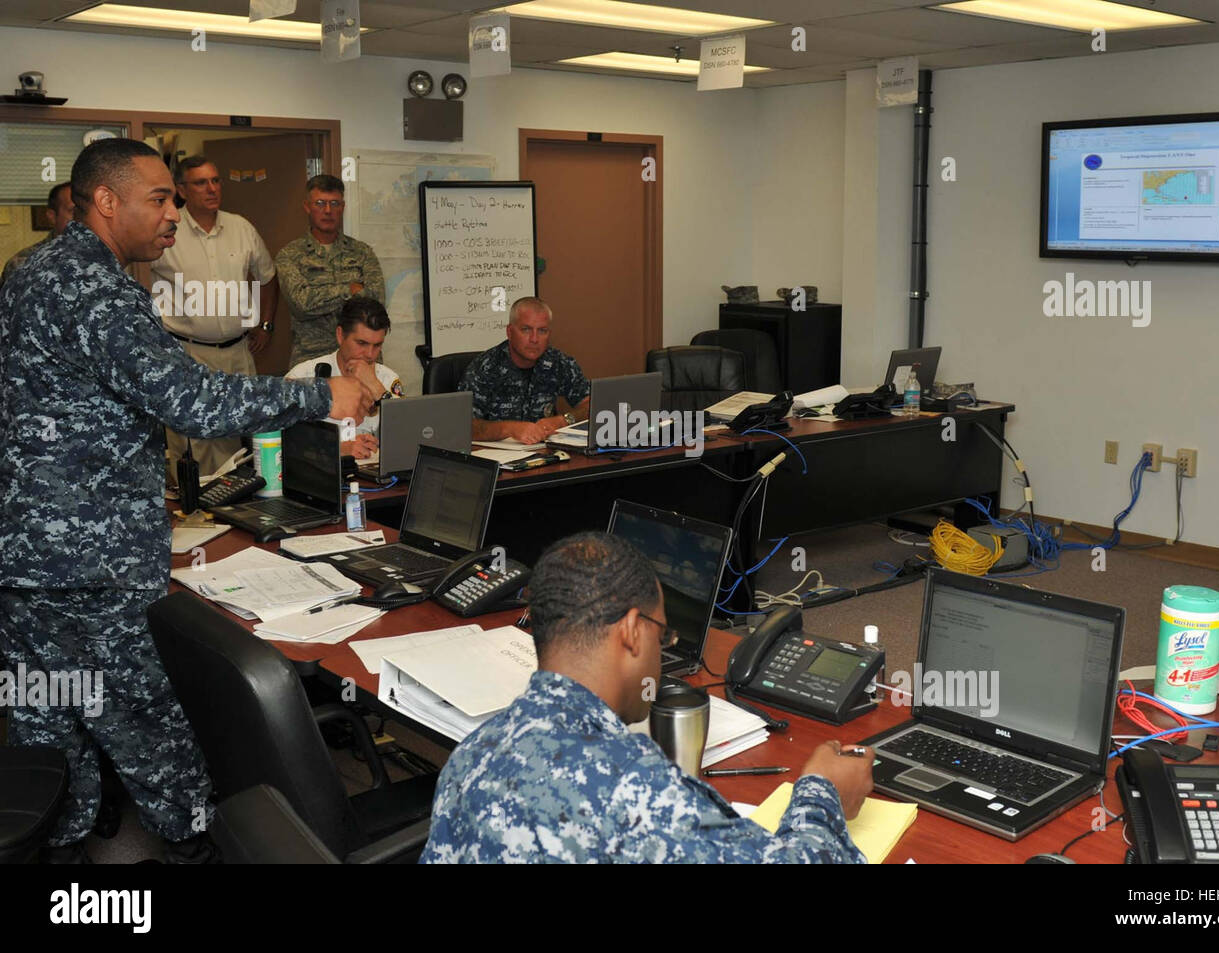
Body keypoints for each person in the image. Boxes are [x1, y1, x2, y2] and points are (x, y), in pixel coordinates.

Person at [0, 138, 375, 864]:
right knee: (158, 741)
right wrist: (318, 393)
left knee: (51, 734)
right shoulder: (95, 288)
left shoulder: (29, 268)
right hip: (90, 567)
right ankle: (197, 852)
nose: (174, 212)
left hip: (28, 560)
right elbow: (192, 398)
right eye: (160, 198)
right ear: (104, 201)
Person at [421, 532, 872, 863]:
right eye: (663, 634)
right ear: (634, 632)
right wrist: (823, 793)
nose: (661, 654)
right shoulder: (635, 789)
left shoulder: (474, 750)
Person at [149, 155, 280, 477]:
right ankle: (196, 512)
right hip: (187, 351)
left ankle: (238, 505)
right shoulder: (165, 229)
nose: (211, 188)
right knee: (194, 441)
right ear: (181, 189)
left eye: (216, 180)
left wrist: (265, 324)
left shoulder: (241, 227)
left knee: (243, 434)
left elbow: (268, 276)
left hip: (238, 352)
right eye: (200, 183)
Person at [275, 174, 384, 367]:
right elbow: (302, 305)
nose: (328, 211)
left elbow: (375, 302)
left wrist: (321, 297)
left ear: (342, 207)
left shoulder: (362, 252)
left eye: (334, 203)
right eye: (320, 203)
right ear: (307, 207)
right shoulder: (289, 255)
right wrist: (350, 290)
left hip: (361, 358)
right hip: (312, 360)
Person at [285, 296, 405, 460]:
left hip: (374, 475)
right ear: (340, 336)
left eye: (377, 345)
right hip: (321, 474)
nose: (370, 355)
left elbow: (407, 438)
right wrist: (336, 448)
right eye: (361, 343)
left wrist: (375, 387)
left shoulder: (387, 379)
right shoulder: (302, 376)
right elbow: (282, 442)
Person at [458, 296, 591, 445]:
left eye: (542, 331)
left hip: (546, 454)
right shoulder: (485, 367)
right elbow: (463, 426)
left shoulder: (558, 362)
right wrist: (509, 429)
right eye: (526, 329)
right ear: (509, 332)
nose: (534, 339)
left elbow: (592, 404)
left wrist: (565, 420)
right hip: (497, 458)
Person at [0, 181, 76, 287]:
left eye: (86, 211)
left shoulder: (101, 253)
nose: (83, 218)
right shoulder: (25, 262)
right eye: (73, 211)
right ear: (52, 216)